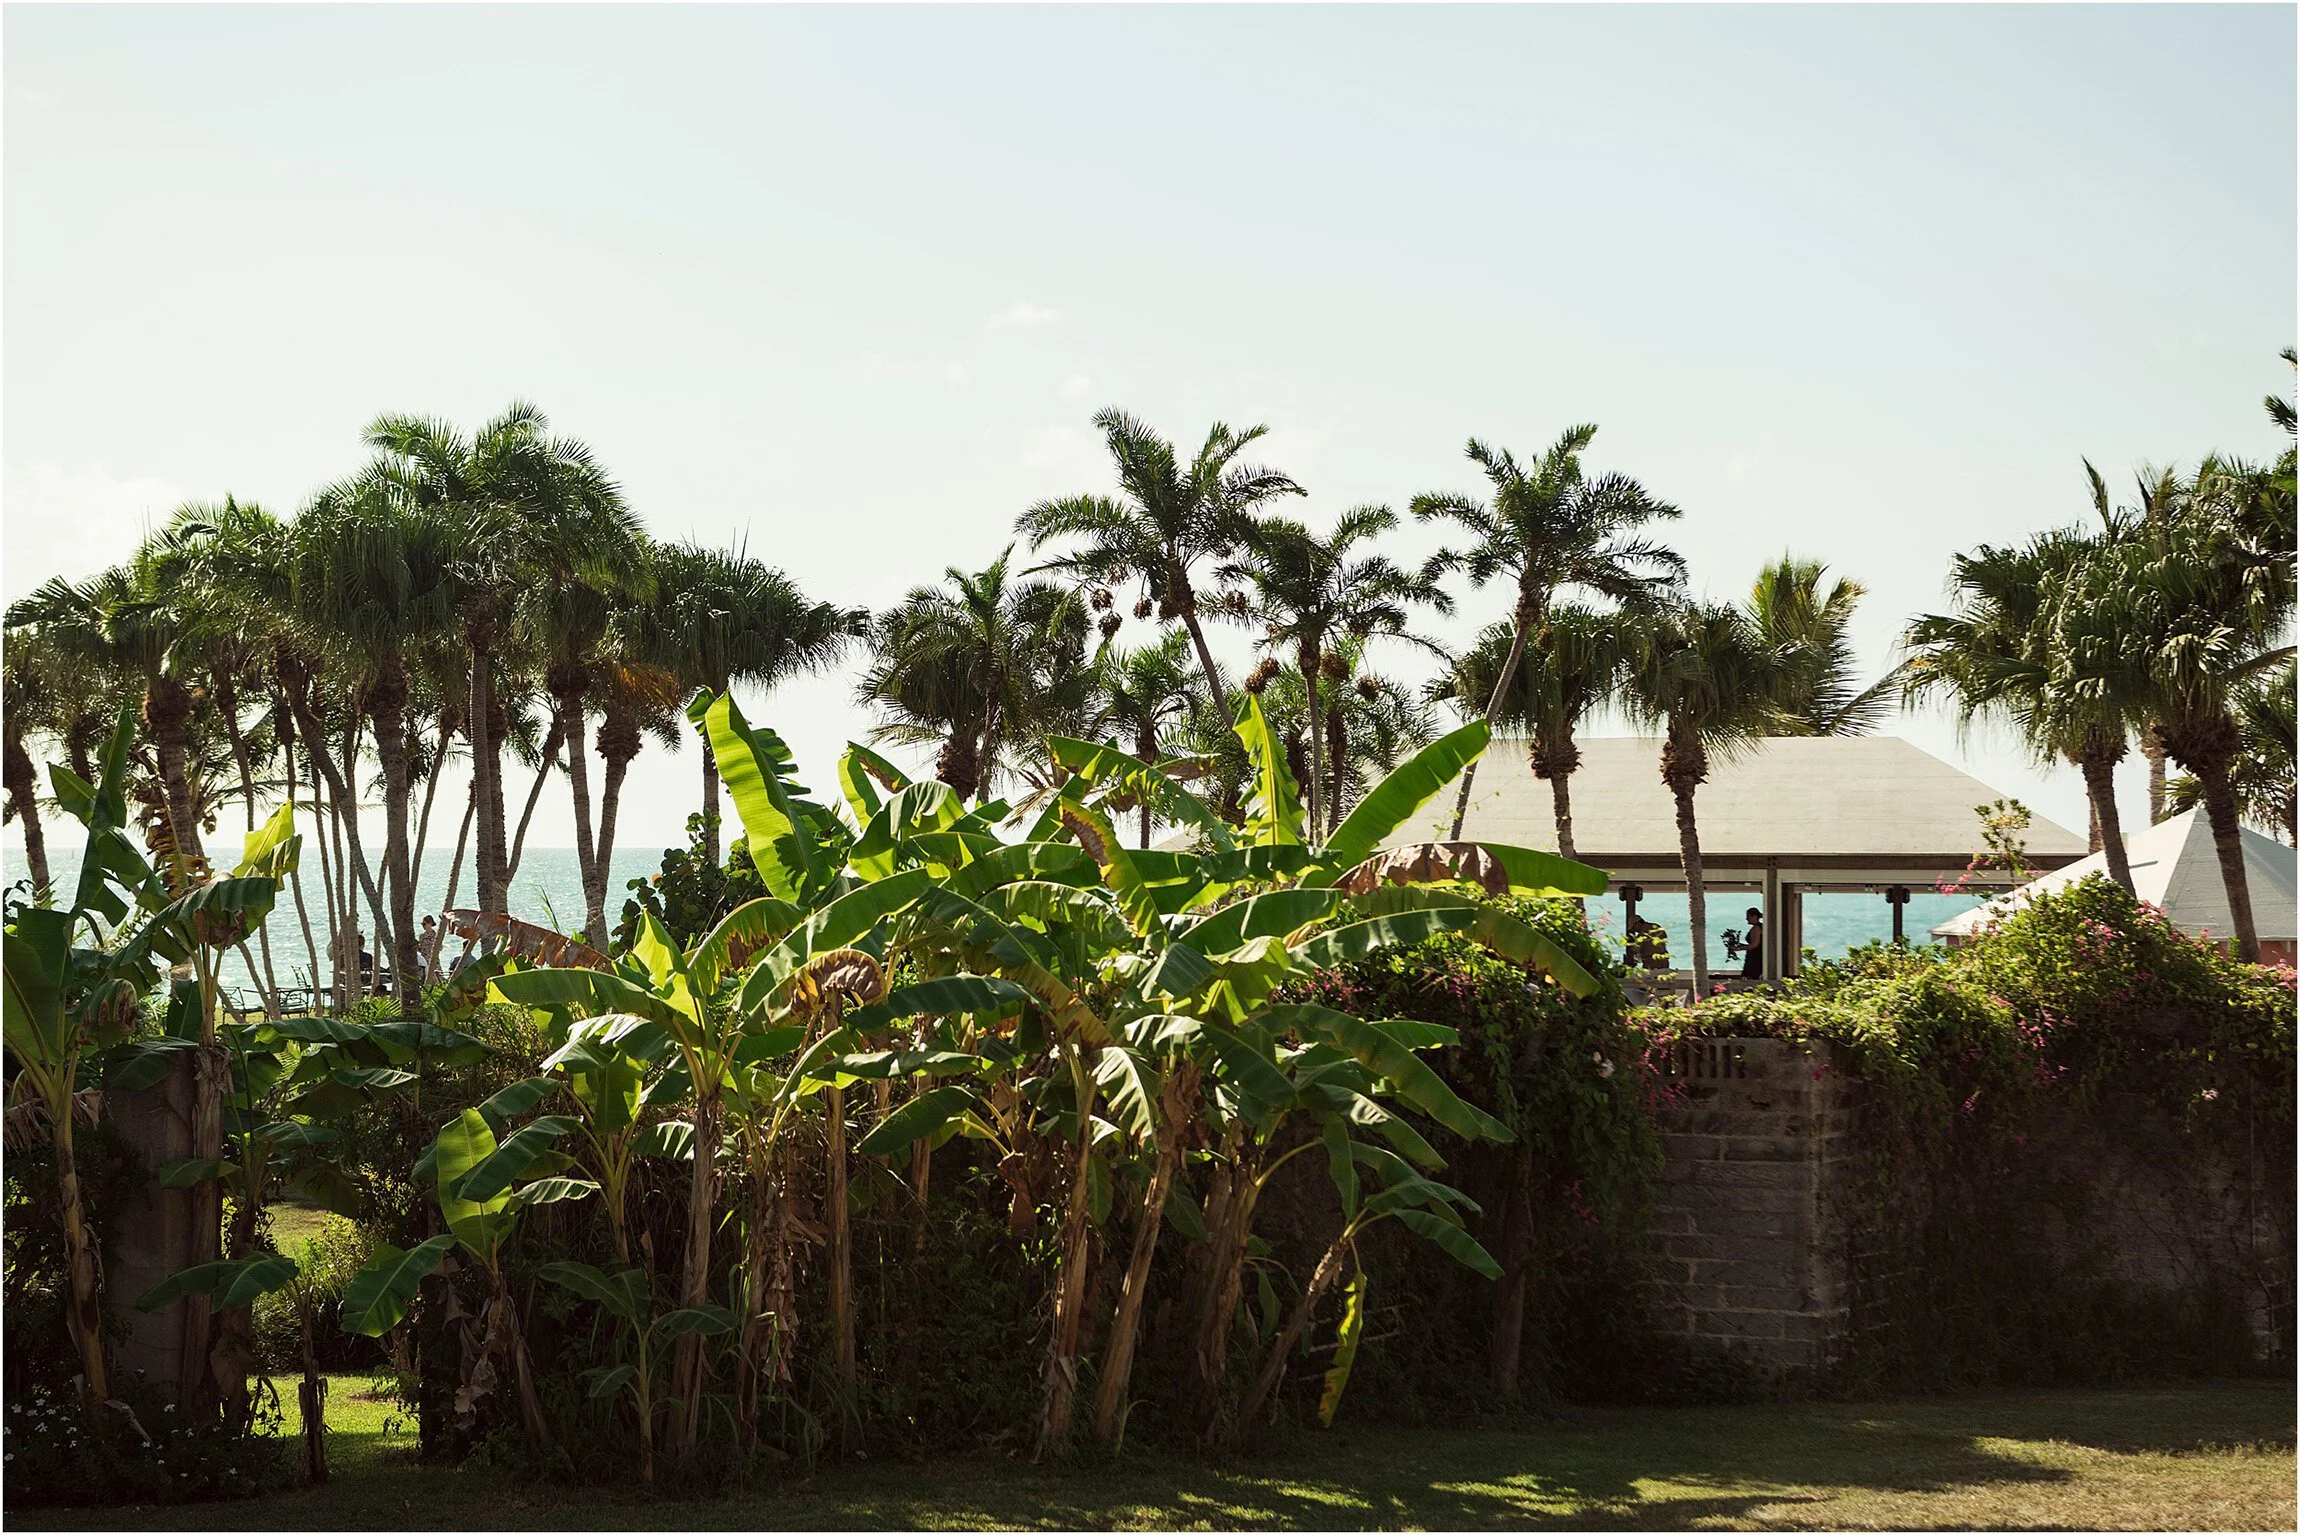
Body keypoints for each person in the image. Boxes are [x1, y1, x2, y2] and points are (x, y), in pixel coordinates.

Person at [1739, 906, 1765, 980]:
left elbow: (1754, 945)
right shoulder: (1761, 927)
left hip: (1755, 957)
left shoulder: (1756, 928)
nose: (1747, 919)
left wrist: (1739, 948)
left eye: (1748, 916)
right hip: (1757, 955)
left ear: (1754, 916)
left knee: (1751, 977)